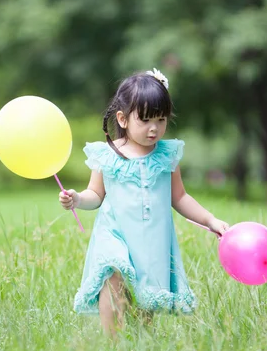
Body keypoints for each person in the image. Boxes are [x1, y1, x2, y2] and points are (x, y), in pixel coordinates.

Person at [59, 69, 229, 337]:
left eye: (161, 120)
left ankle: (142, 345)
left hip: (150, 240)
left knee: (145, 296)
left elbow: (180, 197)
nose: (154, 128)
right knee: (112, 274)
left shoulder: (166, 155)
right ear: (123, 119)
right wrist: (77, 199)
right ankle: (112, 344)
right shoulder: (108, 155)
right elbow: (96, 194)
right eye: (146, 120)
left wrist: (210, 220)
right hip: (114, 233)